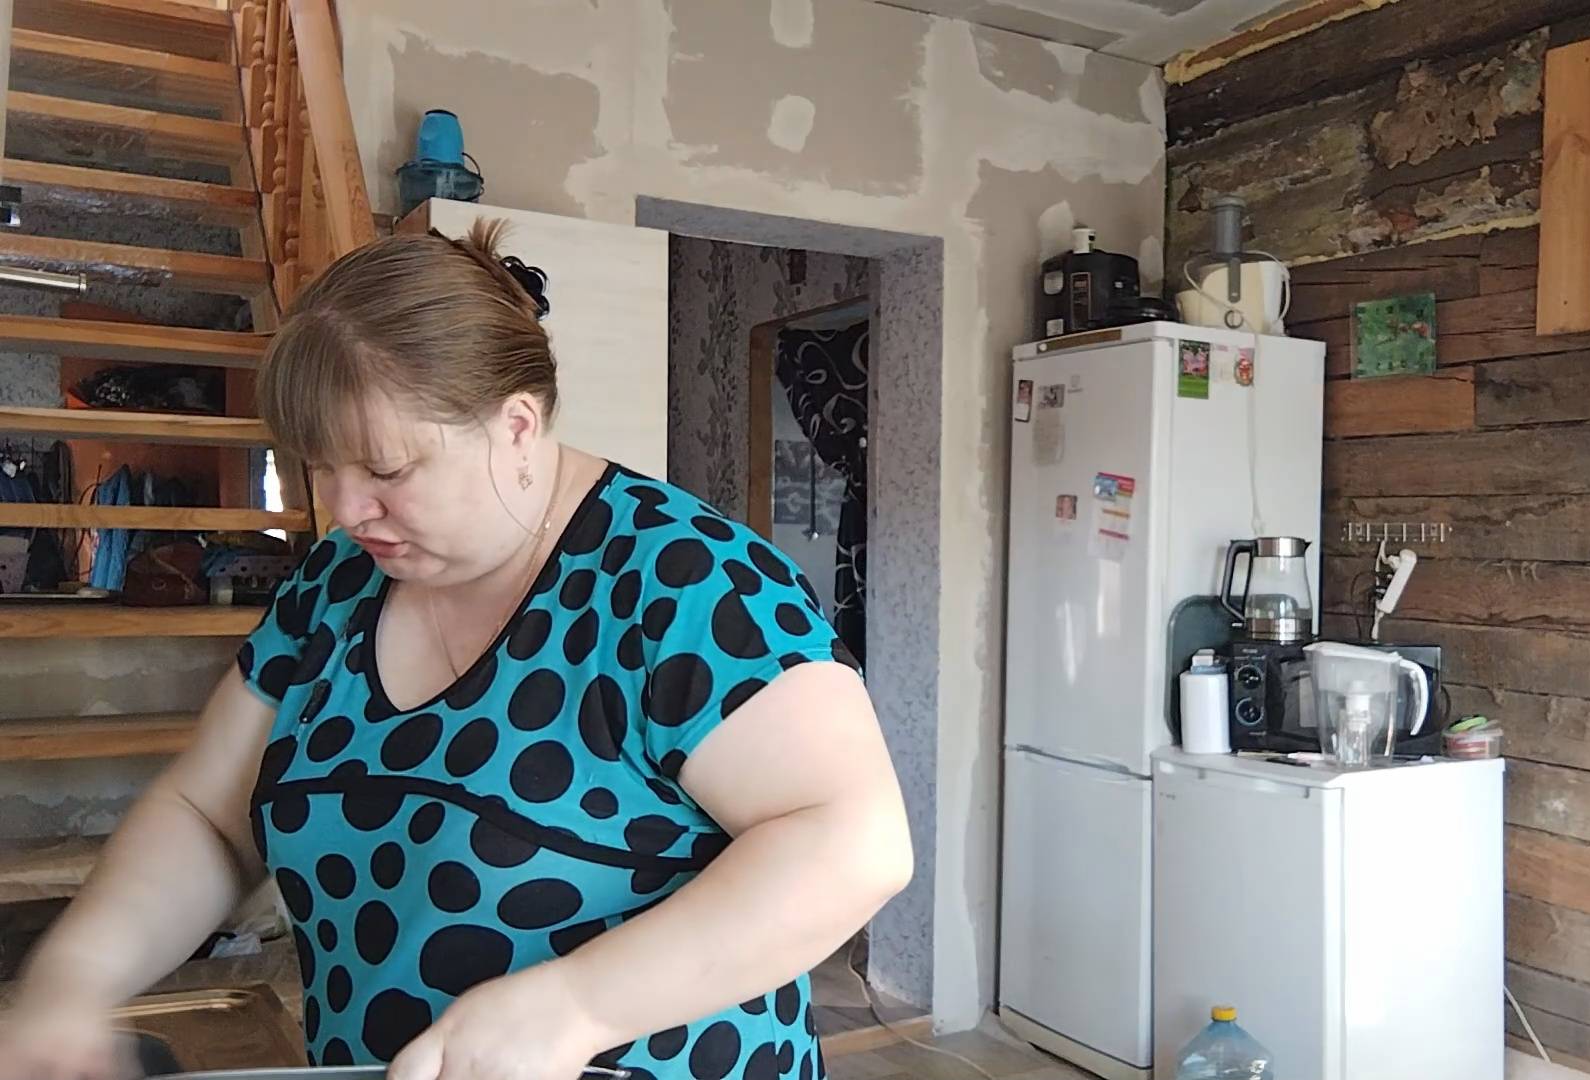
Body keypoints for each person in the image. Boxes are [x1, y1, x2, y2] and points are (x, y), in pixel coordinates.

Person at [0, 222, 913, 1080]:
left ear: (516, 426)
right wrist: (75, 978)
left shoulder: (686, 581)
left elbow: (852, 842)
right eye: (323, 464)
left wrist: (577, 1007)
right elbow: (208, 814)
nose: (346, 508)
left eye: (387, 470)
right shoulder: (335, 586)